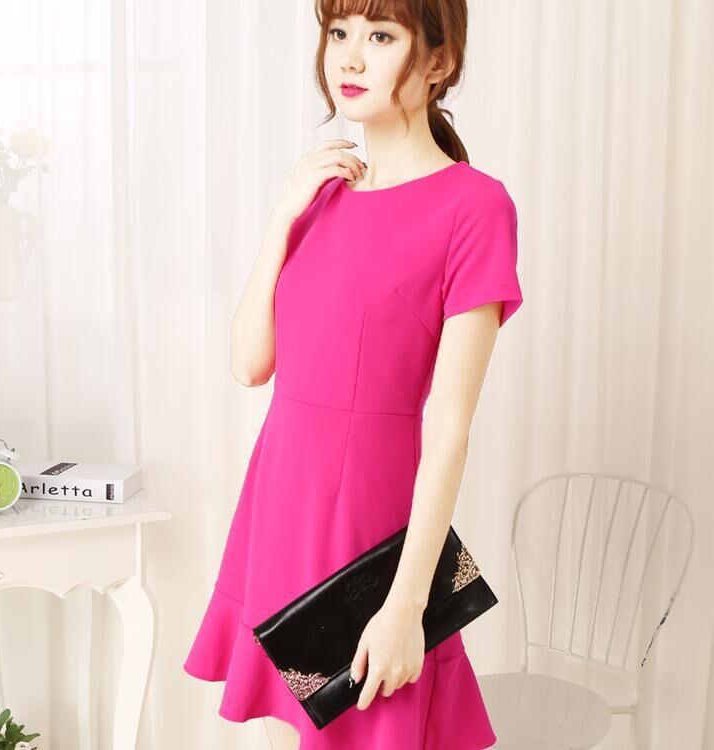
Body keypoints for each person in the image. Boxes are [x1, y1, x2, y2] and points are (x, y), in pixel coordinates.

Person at [183, 1, 524, 748]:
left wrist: (406, 604)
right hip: (280, 507)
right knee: (285, 731)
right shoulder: (322, 197)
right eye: (338, 32)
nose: (350, 56)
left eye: (381, 36)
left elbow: (450, 426)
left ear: (438, 61)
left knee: (370, 726)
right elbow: (249, 364)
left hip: (370, 519)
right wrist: (283, 215)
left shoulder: (475, 206)